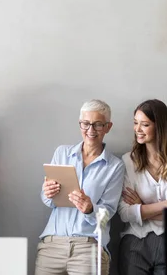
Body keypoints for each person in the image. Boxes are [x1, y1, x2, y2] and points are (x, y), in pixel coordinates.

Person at [36, 99, 125, 275]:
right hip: (52, 245)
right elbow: (48, 200)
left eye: (98, 125)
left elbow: (107, 215)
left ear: (108, 127)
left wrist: (90, 209)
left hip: (89, 247)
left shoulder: (115, 166)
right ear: (80, 124)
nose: (90, 130)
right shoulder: (62, 153)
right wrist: (47, 193)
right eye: (85, 124)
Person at [117, 99, 167, 275]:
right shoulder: (128, 161)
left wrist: (143, 208)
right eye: (135, 123)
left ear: (160, 127)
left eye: (144, 124)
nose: (137, 129)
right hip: (136, 241)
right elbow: (125, 214)